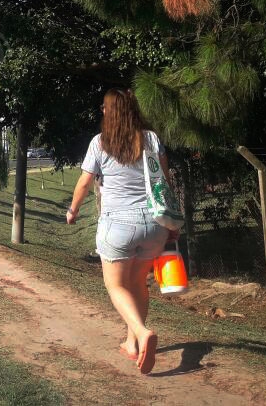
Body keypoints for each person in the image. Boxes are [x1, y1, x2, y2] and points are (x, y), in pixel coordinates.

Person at [65, 88, 173, 375]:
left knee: (115, 286)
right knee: (138, 284)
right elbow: (164, 181)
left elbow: (84, 182)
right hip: (153, 225)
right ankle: (132, 343)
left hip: (118, 225)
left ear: (110, 111)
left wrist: (73, 211)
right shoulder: (151, 139)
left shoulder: (100, 142)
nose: (102, 110)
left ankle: (141, 332)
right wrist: (172, 224)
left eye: (104, 107)